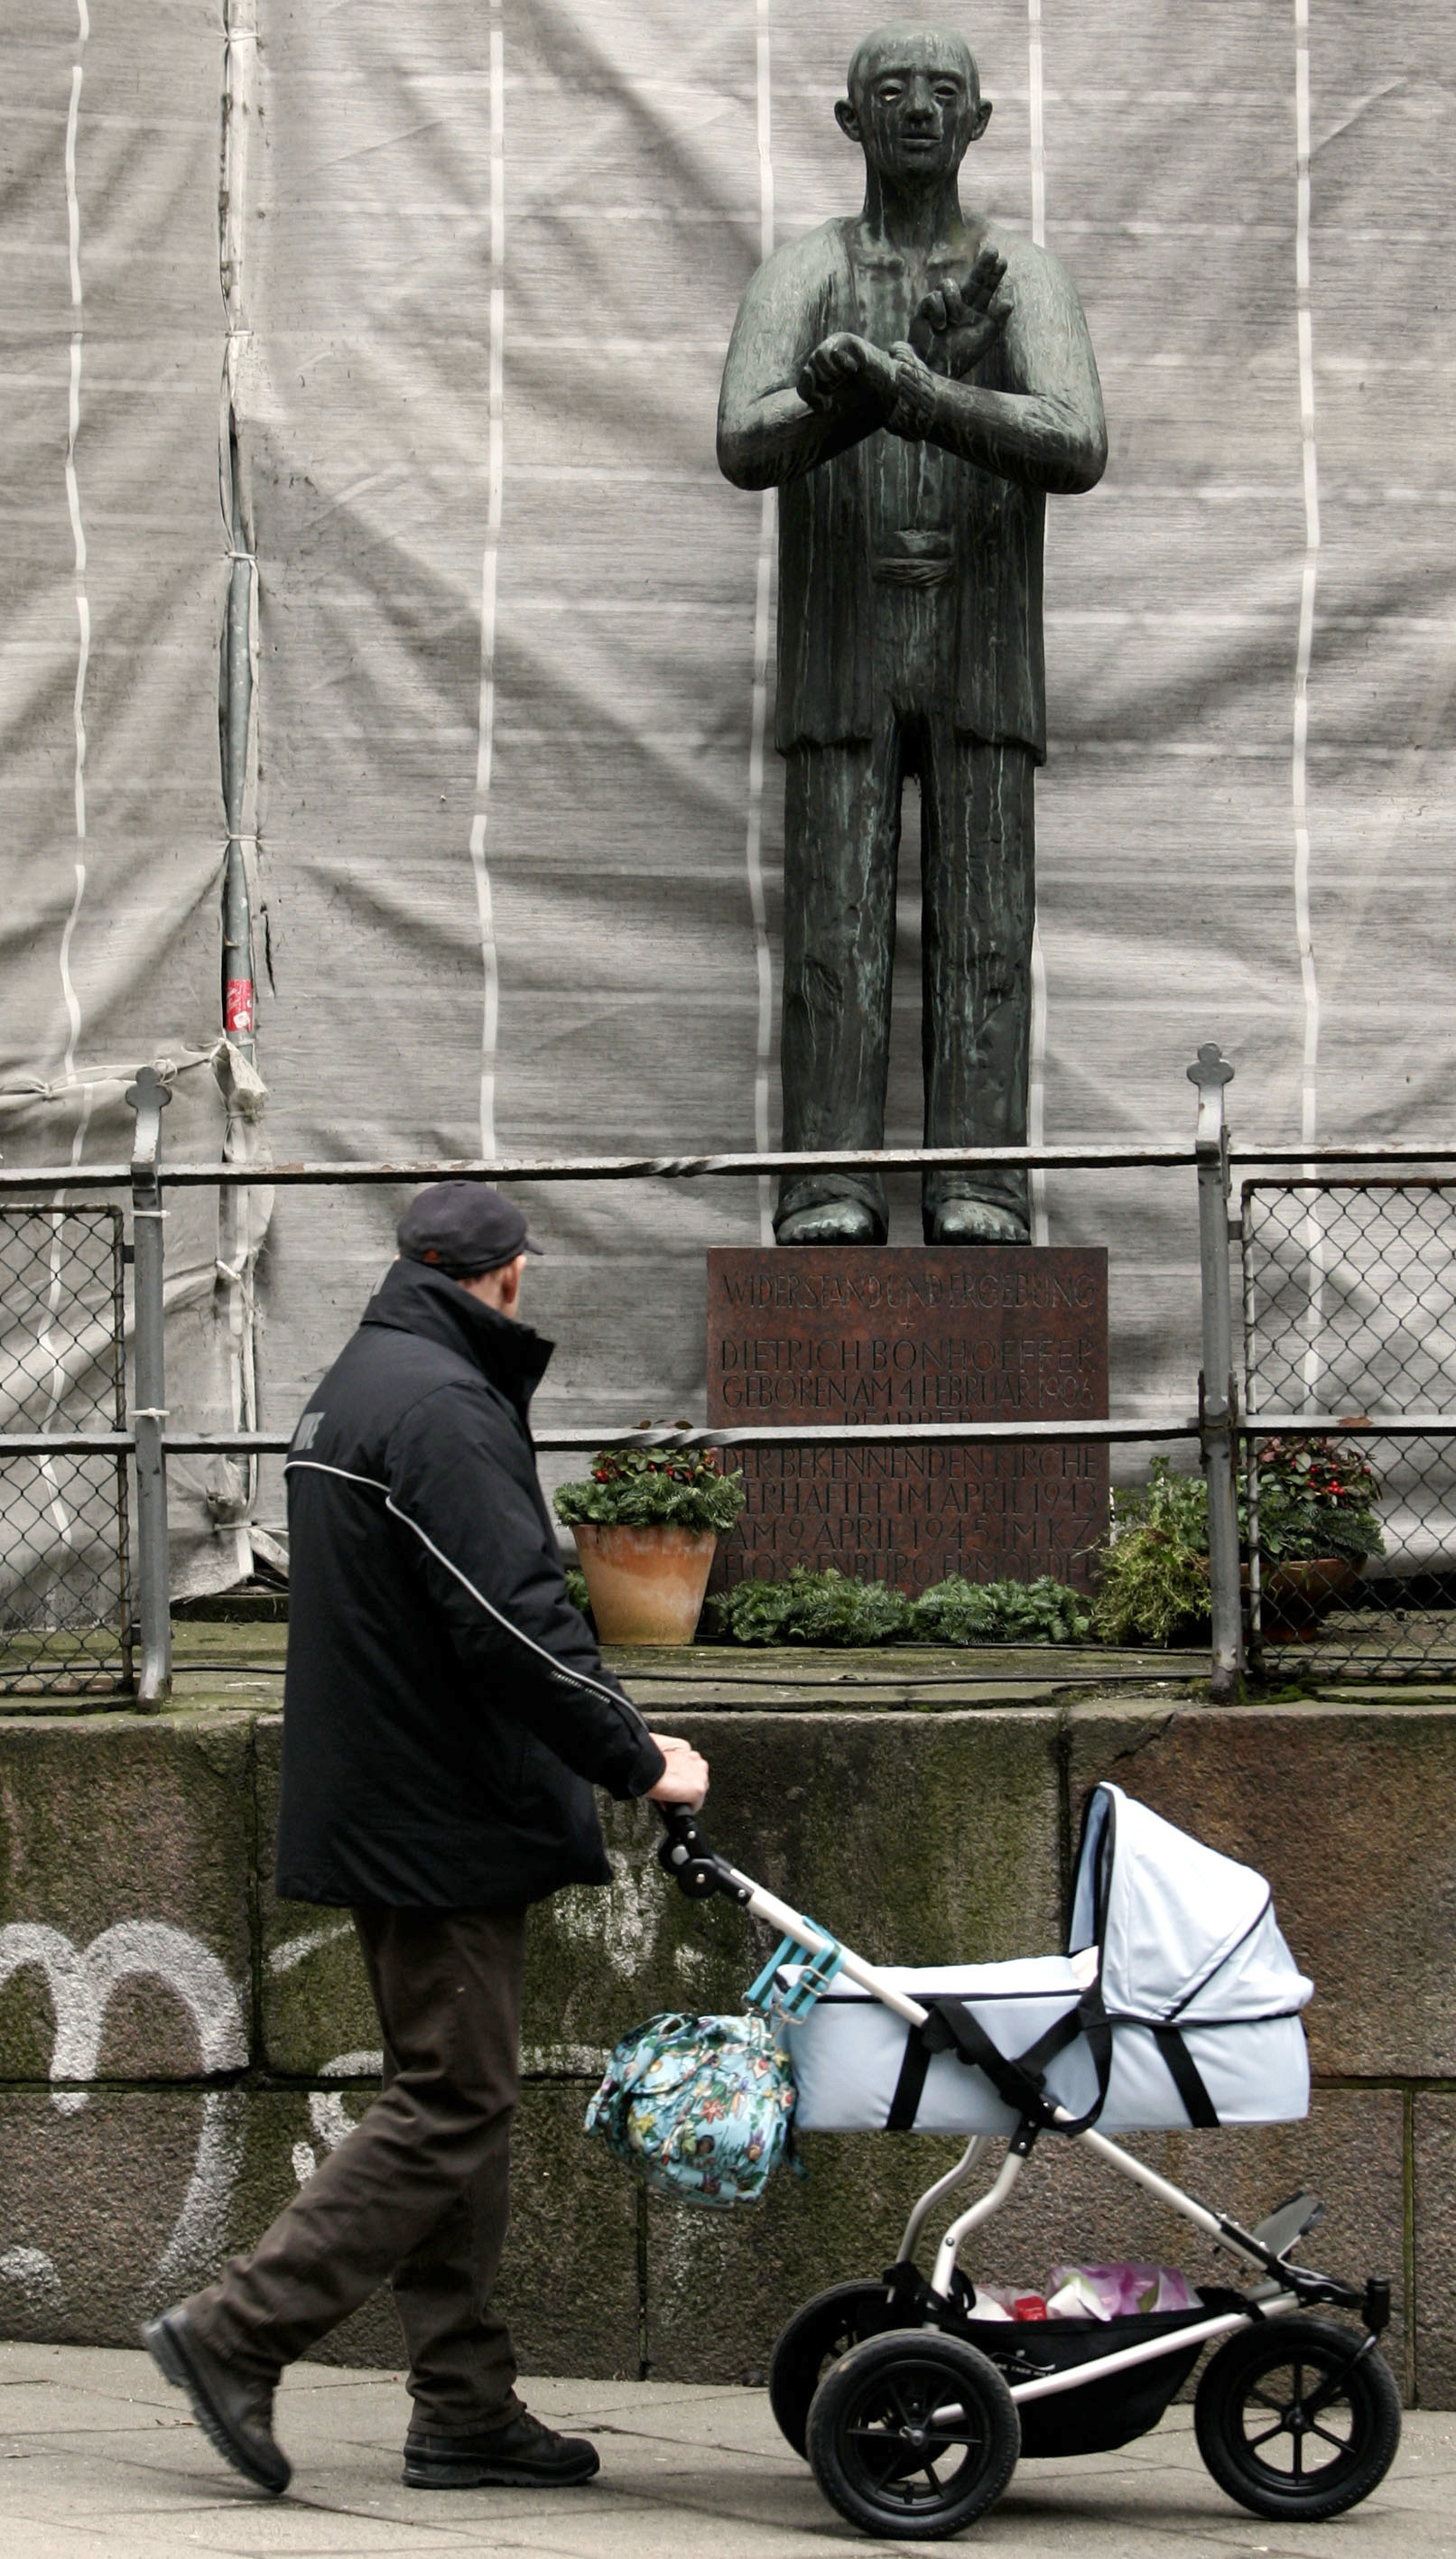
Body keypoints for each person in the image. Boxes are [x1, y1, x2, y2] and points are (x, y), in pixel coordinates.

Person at [143, 1180, 709, 2498]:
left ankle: (462, 2403)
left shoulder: (364, 1378)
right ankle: (236, 2330)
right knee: (453, 2097)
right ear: (508, 1275)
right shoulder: (444, 1405)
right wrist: (636, 1757)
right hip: (439, 1806)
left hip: (397, 1793)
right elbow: (510, 1620)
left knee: (457, 2099)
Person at [718, 22, 1106, 1247]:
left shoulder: (1020, 274)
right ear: (851, 120)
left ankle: (976, 1179)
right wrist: (863, 395)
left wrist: (918, 393)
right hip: (843, 639)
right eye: (892, 92)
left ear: (980, 120)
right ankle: (827, 1180)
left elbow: (1077, 441)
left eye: (945, 93)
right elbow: (741, 440)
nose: (920, 112)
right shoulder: (803, 270)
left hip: (981, 640)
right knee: (833, 928)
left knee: (987, 931)